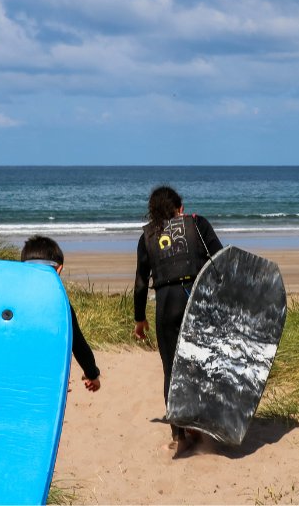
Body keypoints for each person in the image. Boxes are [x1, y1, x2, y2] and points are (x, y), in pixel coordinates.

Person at [133, 185, 222, 454]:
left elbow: (140, 283)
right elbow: (220, 259)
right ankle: (200, 426)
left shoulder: (146, 236)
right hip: (196, 300)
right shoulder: (197, 224)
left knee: (172, 370)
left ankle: (179, 436)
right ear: (179, 208)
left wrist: (140, 319)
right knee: (200, 363)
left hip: (166, 304)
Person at [21, 235, 101, 392]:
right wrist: (92, 374)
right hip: (47, 382)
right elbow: (78, 344)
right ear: (59, 270)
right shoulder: (60, 305)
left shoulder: (12, 300)